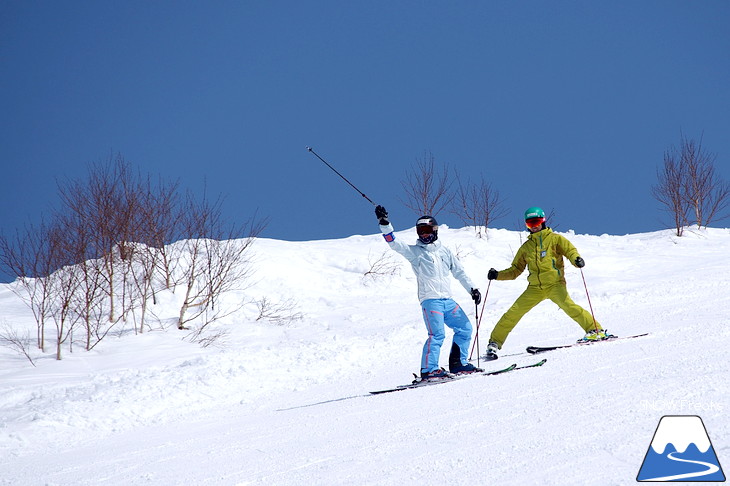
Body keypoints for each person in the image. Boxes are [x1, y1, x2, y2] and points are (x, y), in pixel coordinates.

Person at [485, 207, 613, 360]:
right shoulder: (526, 247)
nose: (534, 226)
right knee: (513, 313)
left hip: (555, 284)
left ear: (543, 221)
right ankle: (494, 342)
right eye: (530, 224)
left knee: (569, 306)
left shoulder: (555, 239)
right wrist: (497, 275)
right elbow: (515, 270)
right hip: (534, 288)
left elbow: (570, 251)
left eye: (537, 222)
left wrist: (576, 259)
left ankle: (595, 330)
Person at [375, 205, 482, 380]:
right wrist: (384, 223)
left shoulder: (444, 251)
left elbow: (459, 272)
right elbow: (393, 243)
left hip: (447, 300)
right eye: (420, 231)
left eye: (426, 230)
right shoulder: (415, 253)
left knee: (465, 328)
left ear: (435, 230)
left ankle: (458, 364)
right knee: (437, 334)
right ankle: (428, 369)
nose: (424, 234)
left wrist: (473, 289)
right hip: (431, 301)